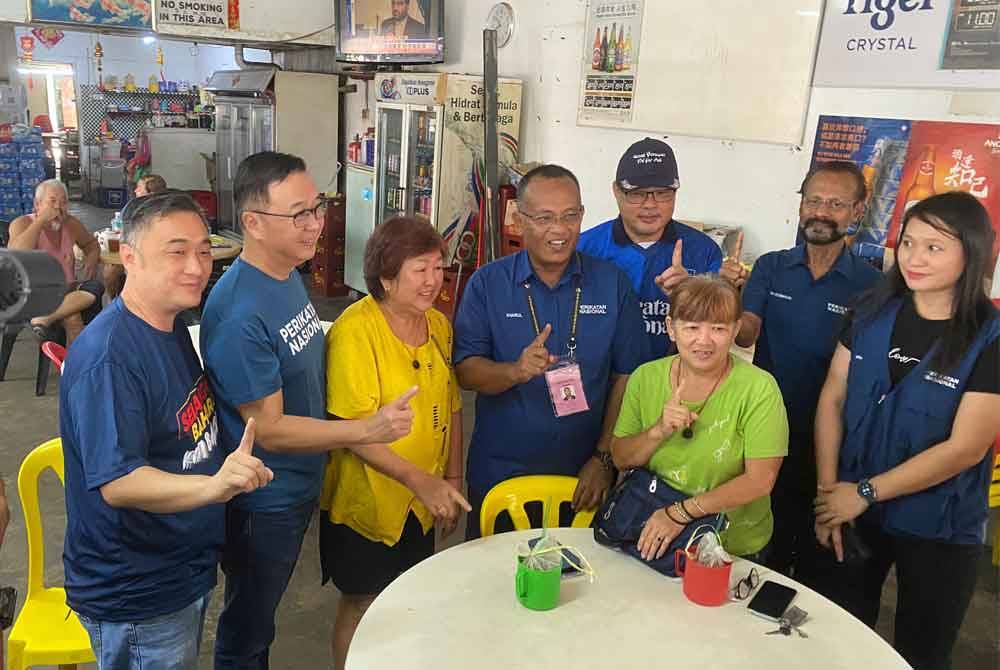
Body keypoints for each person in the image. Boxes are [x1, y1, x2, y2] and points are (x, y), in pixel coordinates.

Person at [201, 152, 417, 669]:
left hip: (299, 485)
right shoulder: (238, 311)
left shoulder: (286, 275)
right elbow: (269, 428)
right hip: (265, 502)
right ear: (253, 223)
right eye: (299, 214)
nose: (316, 223)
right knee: (248, 627)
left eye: (316, 207)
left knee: (262, 615)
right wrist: (367, 429)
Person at [59, 192, 274, 668]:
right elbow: (119, 481)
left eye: (202, 250)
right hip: (138, 590)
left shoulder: (168, 322)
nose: (196, 266)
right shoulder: (111, 357)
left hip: (179, 570)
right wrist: (215, 486)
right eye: (176, 252)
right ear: (130, 257)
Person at [812, 191, 1000, 670]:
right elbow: (833, 396)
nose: (914, 258)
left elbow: (965, 448)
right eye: (909, 242)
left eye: (934, 247)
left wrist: (866, 492)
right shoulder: (871, 310)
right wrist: (828, 493)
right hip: (851, 506)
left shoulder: (989, 338)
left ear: (972, 251)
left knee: (921, 652)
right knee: (836, 637)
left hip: (939, 523)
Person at [454, 164, 647, 538]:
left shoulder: (612, 285)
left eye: (570, 215)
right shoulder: (488, 284)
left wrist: (604, 459)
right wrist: (515, 371)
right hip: (503, 472)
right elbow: (466, 370)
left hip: (584, 474)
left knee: (578, 581)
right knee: (493, 582)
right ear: (519, 219)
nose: (559, 230)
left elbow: (628, 374)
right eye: (544, 218)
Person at [322, 216, 471, 670]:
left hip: (421, 500)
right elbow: (354, 429)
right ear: (386, 278)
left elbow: (452, 405)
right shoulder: (356, 331)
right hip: (369, 500)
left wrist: (450, 477)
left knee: (407, 597)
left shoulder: (438, 326)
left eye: (437, 267)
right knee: (364, 602)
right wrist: (419, 480)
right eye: (419, 270)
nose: (434, 281)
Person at [724, 161, 881, 576]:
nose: (821, 212)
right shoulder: (773, 267)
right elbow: (744, 336)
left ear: (857, 212)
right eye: (813, 200)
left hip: (833, 443)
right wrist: (721, 298)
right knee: (763, 544)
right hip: (765, 430)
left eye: (835, 203)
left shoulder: (873, 286)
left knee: (818, 553)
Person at [611, 275, 788, 560]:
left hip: (731, 546)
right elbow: (620, 457)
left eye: (718, 328)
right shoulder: (645, 377)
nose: (704, 341)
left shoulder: (759, 388)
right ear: (671, 328)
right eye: (691, 327)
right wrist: (658, 430)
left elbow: (760, 480)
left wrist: (679, 513)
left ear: (735, 330)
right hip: (655, 535)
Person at [577, 138, 723, 359]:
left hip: (674, 380)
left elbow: (718, 332)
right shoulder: (585, 248)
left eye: (662, 193)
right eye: (637, 193)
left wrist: (689, 293)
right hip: (602, 378)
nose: (650, 204)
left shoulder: (704, 252)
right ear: (617, 191)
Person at [7, 179, 102, 345]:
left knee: (96, 286)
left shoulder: (71, 224)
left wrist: (92, 259)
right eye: (52, 201)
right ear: (38, 204)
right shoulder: (22, 223)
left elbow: (91, 243)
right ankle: (75, 369)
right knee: (73, 317)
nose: (59, 207)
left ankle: (45, 318)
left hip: (66, 290)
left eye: (64, 202)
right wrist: (41, 221)